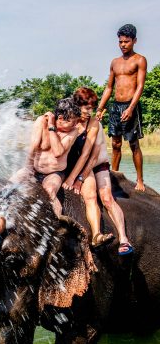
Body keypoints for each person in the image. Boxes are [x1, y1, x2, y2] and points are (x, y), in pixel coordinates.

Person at [63, 87, 133, 255]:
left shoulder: (94, 123)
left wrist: (79, 178)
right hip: (77, 164)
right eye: (87, 108)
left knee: (106, 198)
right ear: (77, 105)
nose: (90, 112)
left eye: (92, 108)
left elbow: (91, 156)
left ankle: (123, 239)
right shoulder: (69, 119)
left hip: (96, 164)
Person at [96, 23, 147, 191]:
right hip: (115, 106)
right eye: (120, 42)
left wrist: (131, 108)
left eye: (126, 41)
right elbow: (109, 87)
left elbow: (140, 86)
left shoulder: (139, 60)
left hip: (130, 105)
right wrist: (100, 108)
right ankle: (114, 174)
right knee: (116, 143)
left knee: (133, 144)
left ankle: (140, 180)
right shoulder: (115, 62)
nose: (123, 45)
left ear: (134, 41)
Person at [11, 98, 80, 215]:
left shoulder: (73, 131)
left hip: (54, 173)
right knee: (11, 183)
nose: (75, 124)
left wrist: (52, 126)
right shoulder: (41, 121)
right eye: (73, 121)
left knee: (50, 191)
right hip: (34, 169)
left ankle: (58, 224)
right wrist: (28, 169)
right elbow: (33, 146)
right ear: (61, 118)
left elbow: (58, 152)